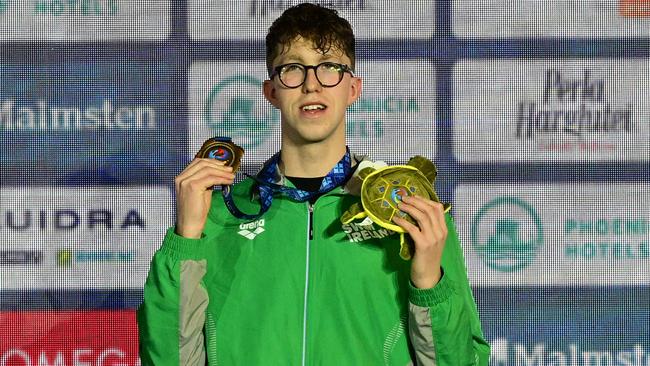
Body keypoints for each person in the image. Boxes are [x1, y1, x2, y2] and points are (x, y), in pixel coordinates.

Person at [137, 3, 490, 365]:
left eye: (330, 68)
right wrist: (186, 239)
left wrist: (430, 282)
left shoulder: (409, 213)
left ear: (353, 88)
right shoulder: (219, 213)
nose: (311, 84)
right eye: (293, 69)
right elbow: (168, 359)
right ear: (271, 91)